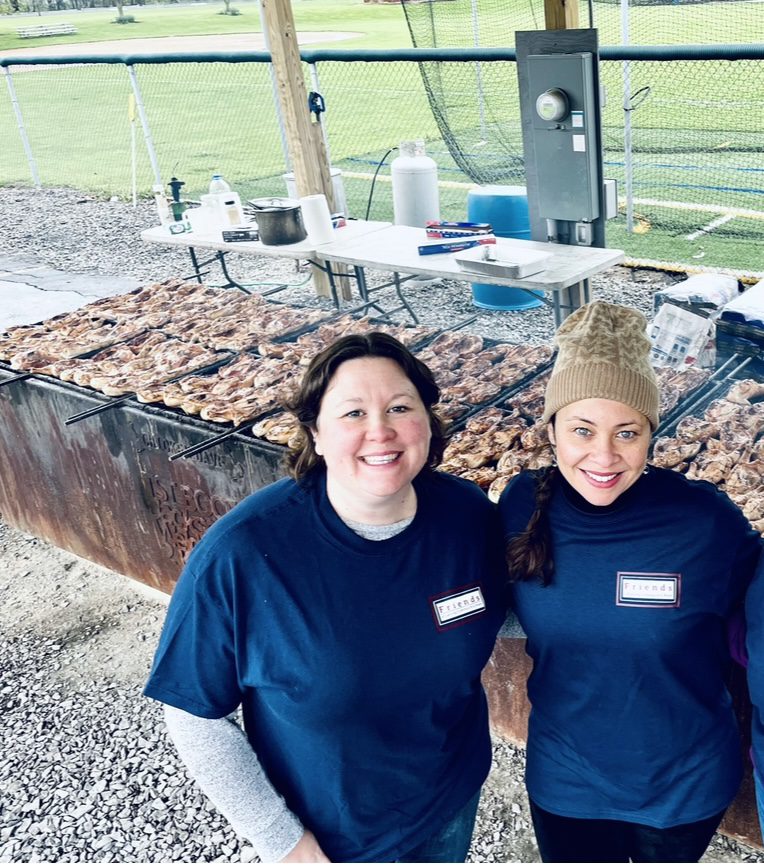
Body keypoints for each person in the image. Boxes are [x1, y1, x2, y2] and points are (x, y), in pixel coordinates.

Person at [144, 331, 506, 863]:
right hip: (331, 835)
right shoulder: (244, 552)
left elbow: (499, 607)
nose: (380, 431)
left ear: (428, 422)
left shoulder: (466, 514)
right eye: (353, 413)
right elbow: (193, 713)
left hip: (449, 796)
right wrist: (284, 842)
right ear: (315, 434)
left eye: (400, 407)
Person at [498, 301, 762, 863]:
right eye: (582, 430)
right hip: (566, 779)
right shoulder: (521, 505)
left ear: (651, 434)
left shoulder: (705, 522)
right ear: (551, 430)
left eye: (627, 432)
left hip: (685, 786)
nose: (604, 455)